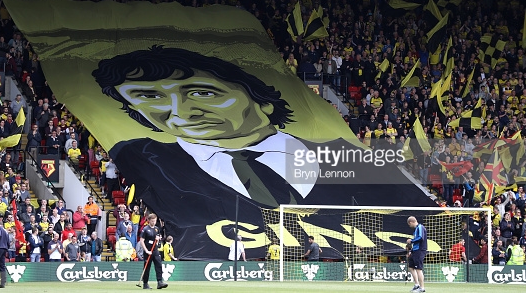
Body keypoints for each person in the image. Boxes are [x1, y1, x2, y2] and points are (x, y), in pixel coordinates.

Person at [93, 46, 435, 259]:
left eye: (201, 93)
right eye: (150, 99)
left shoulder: (350, 158)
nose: (181, 112)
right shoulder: (144, 159)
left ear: (258, 95)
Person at [139, 213, 167, 290]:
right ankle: (145, 283)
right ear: (149, 221)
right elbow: (142, 241)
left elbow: (157, 241)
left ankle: (160, 282)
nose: (153, 222)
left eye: (154, 221)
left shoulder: (157, 229)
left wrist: (158, 240)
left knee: (159, 265)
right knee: (147, 268)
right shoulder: (145, 229)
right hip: (148, 251)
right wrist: (146, 251)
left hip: (155, 250)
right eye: (152, 221)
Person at [406, 216, 427, 293]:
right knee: (411, 267)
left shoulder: (420, 227)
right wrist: (410, 251)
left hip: (420, 250)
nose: (410, 226)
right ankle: (416, 285)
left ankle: (422, 288)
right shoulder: (416, 230)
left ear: (411, 222)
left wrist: (411, 240)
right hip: (415, 250)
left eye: (409, 225)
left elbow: (421, 238)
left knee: (418, 269)